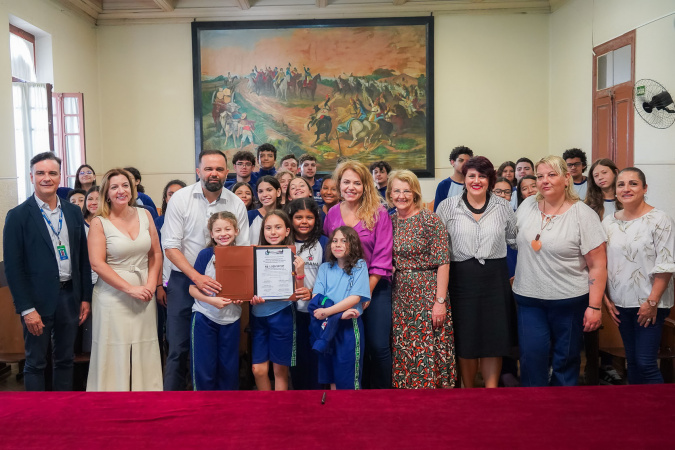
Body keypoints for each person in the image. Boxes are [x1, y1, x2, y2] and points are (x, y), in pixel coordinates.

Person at [512, 155, 607, 387]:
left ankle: (563, 405)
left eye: (552, 175)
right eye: (540, 176)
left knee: (565, 360)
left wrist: (595, 307)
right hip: (529, 299)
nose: (544, 180)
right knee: (531, 357)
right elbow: (515, 243)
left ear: (566, 179)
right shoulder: (527, 206)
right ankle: (534, 403)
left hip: (569, 301)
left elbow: (597, 265)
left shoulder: (583, 214)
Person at [161, 150, 249, 391]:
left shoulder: (236, 203)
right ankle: (174, 402)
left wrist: (240, 288)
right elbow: (170, 246)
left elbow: (243, 250)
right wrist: (196, 277)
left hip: (225, 283)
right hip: (184, 279)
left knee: (222, 352)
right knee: (178, 346)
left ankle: (219, 403)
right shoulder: (180, 198)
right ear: (198, 171)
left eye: (219, 169)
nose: (214, 173)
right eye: (208, 169)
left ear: (227, 172)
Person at [3, 152, 92, 391]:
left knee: (65, 359)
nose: (46, 178)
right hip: (36, 301)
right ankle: (36, 411)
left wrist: (85, 297)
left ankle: (62, 408)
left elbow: (82, 258)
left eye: (52, 173)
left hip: (69, 297)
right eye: (40, 173)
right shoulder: (18, 216)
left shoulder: (72, 212)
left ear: (60, 177)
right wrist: (26, 309)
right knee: (36, 363)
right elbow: (13, 268)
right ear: (31, 177)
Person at [436, 156, 517, 388]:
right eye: (471, 175)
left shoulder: (503, 207)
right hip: (461, 280)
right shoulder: (447, 207)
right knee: (467, 339)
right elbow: (439, 246)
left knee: (494, 339)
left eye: (482, 176)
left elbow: (514, 240)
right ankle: (469, 390)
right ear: (464, 178)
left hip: (495, 279)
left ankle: (491, 391)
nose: (476, 180)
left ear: (490, 179)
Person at [86, 168, 163, 391]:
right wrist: (130, 289)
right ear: (107, 193)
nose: (121, 191)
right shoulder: (99, 222)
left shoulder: (145, 214)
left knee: (145, 345)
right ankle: (111, 398)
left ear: (132, 189)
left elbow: (156, 253)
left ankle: (146, 396)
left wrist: (151, 284)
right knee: (114, 348)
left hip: (144, 293)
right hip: (112, 296)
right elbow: (97, 264)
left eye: (125, 185)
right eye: (115, 187)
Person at [323, 160, 393, 389]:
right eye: (346, 182)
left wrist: (364, 293)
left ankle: (381, 395)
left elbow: (383, 256)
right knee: (350, 346)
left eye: (357, 183)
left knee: (377, 346)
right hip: (341, 291)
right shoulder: (333, 213)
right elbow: (331, 251)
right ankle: (356, 394)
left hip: (375, 288)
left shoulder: (378, 213)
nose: (350, 187)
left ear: (365, 186)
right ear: (339, 184)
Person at [603, 168, 674, 384]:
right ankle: (636, 405)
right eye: (621, 184)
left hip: (650, 303)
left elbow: (665, 265)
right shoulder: (608, 222)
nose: (626, 189)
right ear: (615, 191)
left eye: (633, 183)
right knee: (632, 362)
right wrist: (606, 299)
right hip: (620, 303)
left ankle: (662, 406)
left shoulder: (660, 219)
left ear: (644, 188)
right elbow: (601, 263)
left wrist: (652, 302)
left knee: (646, 363)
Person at [388, 170, 456, 389]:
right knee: (404, 345)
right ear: (390, 194)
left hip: (428, 293)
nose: (401, 196)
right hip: (400, 295)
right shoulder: (389, 221)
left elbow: (443, 262)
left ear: (415, 193)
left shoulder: (430, 220)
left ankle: (433, 396)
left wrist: (440, 301)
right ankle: (406, 395)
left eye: (406, 191)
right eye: (397, 191)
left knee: (429, 346)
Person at [250, 210, 305, 391]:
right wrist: (250, 297)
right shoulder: (254, 254)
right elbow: (247, 288)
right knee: (258, 370)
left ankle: (278, 407)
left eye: (278, 227)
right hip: (258, 316)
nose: (273, 232)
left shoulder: (294, 257)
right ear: (263, 231)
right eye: (268, 228)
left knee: (280, 370)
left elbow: (299, 293)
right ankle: (267, 405)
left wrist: (300, 273)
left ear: (287, 231)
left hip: (283, 314)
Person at [189, 212, 243, 390]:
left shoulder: (243, 255)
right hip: (205, 316)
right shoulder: (205, 255)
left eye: (228, 229)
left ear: (236, 231)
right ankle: (204, 403)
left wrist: (242, 298)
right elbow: (192, 289)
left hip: (231, 319)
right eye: (218, 230)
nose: (223, 234)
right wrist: (211, 301)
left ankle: (227, 404)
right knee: (204, 367)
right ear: (211, 234)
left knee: (229, 369)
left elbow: (246, 288)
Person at [312, 226, 371, 390]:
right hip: (328, 326)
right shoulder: (325, 268)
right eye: (335, 241)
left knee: (348, 376)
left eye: (344, 241)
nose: (338, 244)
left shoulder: (359, 266)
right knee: (331, 374)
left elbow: (355, 298)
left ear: (353, 244)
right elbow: (317, 297)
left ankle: (350, 406)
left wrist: (330, 312)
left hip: (349, 327)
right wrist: (338, 314)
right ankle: (336, 406)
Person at [285, 198, 327, 390]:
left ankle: (318, 395)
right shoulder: (284, 243)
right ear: (290, 219)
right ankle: (299, 396)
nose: (304, 222)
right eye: (298, 217)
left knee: (317, 355)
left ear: (316, 219)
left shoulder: (324, 242)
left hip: (317, 310)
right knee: (298, 356)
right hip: (291, 310)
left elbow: (330, 277)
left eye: (309, 217)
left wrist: (313, 293)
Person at [154, 179, 187, 363]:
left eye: (179, 193)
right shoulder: (158, 222)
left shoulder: (192, 218)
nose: (174, 197)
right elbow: (156, 255)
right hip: (166, 281)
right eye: (170, 194)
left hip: (188, 280)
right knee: (171, 332)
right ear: (165, 198)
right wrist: (159, 286)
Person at [433, 146, 474, 212]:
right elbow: (437, 212)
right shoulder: (444, 185)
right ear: (452, 162)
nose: (464, 164)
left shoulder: (474, 183)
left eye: (467, 161)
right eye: (461, 160)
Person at [248, 176, 282, 246]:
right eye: (261, 191)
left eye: (269, 190)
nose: (265, 195)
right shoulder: (250, 215)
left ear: (278, 192)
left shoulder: (285, 215)